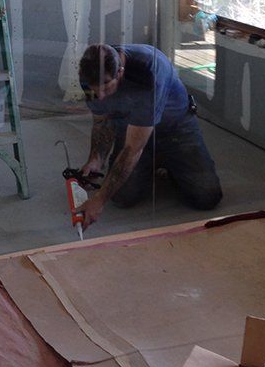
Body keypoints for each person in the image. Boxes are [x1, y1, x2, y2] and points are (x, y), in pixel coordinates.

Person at [76, 43, 222, 230]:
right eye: (95, 89)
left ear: (120, 72)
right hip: (131, 128)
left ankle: (167, 161)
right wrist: (95, 160)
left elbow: (132, 150)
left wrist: (99, 200)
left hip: (176, 129)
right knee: (122, 197)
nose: (100, 95)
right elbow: (102, 121)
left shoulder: (148, 73)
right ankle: (153, 162)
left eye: (106, 86)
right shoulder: (89, 77)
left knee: (206, 196)